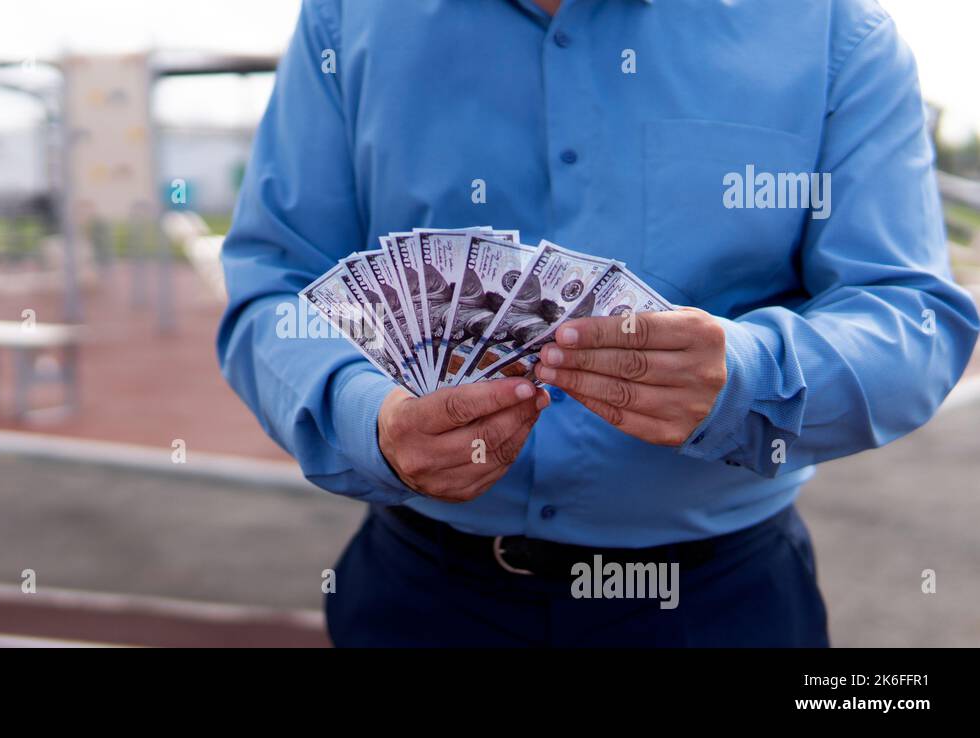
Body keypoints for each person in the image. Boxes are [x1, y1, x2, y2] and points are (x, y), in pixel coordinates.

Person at [216, 0, 979, 646]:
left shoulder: (835, 31)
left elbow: (911, 315)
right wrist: (365, 419)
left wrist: (751, 375)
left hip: (721, 608)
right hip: (417, 593)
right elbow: (275, 287)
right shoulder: (348, 19)